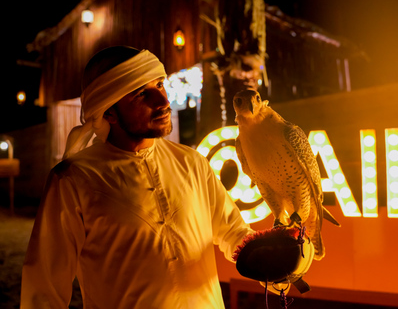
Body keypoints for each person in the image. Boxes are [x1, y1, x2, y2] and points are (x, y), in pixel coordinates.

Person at [20, 46, 253, 308]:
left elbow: (233, 231)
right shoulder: (73, 180)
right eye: (141, 94)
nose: (163, 101)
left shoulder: (192, 163)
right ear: (109, 113)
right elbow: (44, 289)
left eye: (160, 85)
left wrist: (268, 256)